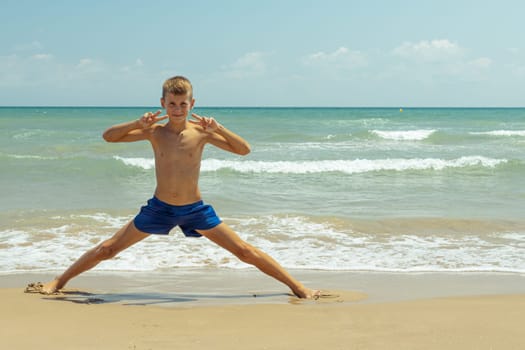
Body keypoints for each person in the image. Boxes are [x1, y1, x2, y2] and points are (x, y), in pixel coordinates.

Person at [28, 76, 320, 299]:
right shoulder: (154, 131)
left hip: (195, 210)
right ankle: (58, 282)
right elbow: (109, 137)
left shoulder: (201, 134)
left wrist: (219, 129)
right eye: (172, 103)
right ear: (163, 103)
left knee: (243, 251)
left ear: (192, 104)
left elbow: (243, 150)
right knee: (108, 249)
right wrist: (136, 121)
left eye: (183, 104)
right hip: (160, 208)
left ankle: (299, 287)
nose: (177, 108)